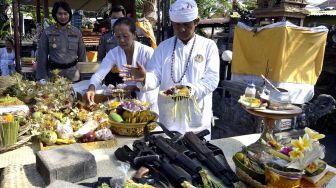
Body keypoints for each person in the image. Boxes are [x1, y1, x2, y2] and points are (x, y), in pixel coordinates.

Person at [120, 0, 219, 138]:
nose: (182, 29)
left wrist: (189, 90)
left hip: (197, 122)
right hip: (169, 121)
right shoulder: (163, 47)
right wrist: (145, 78)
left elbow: (212, 80)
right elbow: (155, 76)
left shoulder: (208, 46)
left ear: (196, 22)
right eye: (177, 25)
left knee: (198, 157)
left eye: (186, 24)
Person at [87, 17, 158, 112]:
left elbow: (156, 80)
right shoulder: (114, 53)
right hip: (128, 100)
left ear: (134, 35)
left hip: (148, 98)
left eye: (125, 36)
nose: (121, 40)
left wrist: (136, 85)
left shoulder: (147, 52)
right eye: (118, 37)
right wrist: (92, 87)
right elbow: (99, 74)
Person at [36, 1, 86, 82]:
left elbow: (82, 55)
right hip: (54, 76)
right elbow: (42, 57)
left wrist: (84, 76)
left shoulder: (76, 32)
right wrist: (42, 78)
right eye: (60, 13)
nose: (63, 17)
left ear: (69, 14)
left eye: (65, 13)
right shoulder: (47, 32)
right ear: (55, 15)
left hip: (73, 75)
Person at [97, 4, 126, 86]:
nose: (117, 21)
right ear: (110, 19)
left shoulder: (132, 36)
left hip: (127, 74)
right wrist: (100, 76)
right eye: (114, 18)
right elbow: (100, 57)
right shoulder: (105, 37)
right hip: (110, 74)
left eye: (120, 18)